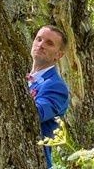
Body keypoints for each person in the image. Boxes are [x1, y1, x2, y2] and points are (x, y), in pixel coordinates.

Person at [28, 25, 70, 168]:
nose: (41, 45)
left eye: (49, 43)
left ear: (58, 55)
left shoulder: (56, 86)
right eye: (38, 39)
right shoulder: (20, 76)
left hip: (34, 160)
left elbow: (34, 113)